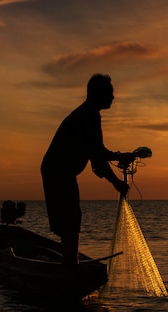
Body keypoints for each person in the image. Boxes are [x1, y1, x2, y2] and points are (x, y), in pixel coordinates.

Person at [41, 73, 129, 265]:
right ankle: (70, 265)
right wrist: (116, 183)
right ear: (97, 94)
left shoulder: (90, 114)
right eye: (110, 93)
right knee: (70, 217)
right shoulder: (87, 116)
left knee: (70, 217)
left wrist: (117, 157)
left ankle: (69, 261)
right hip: (57, 171)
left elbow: (98, 154)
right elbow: (98, 158)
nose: (113, 97)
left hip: (62, 172)